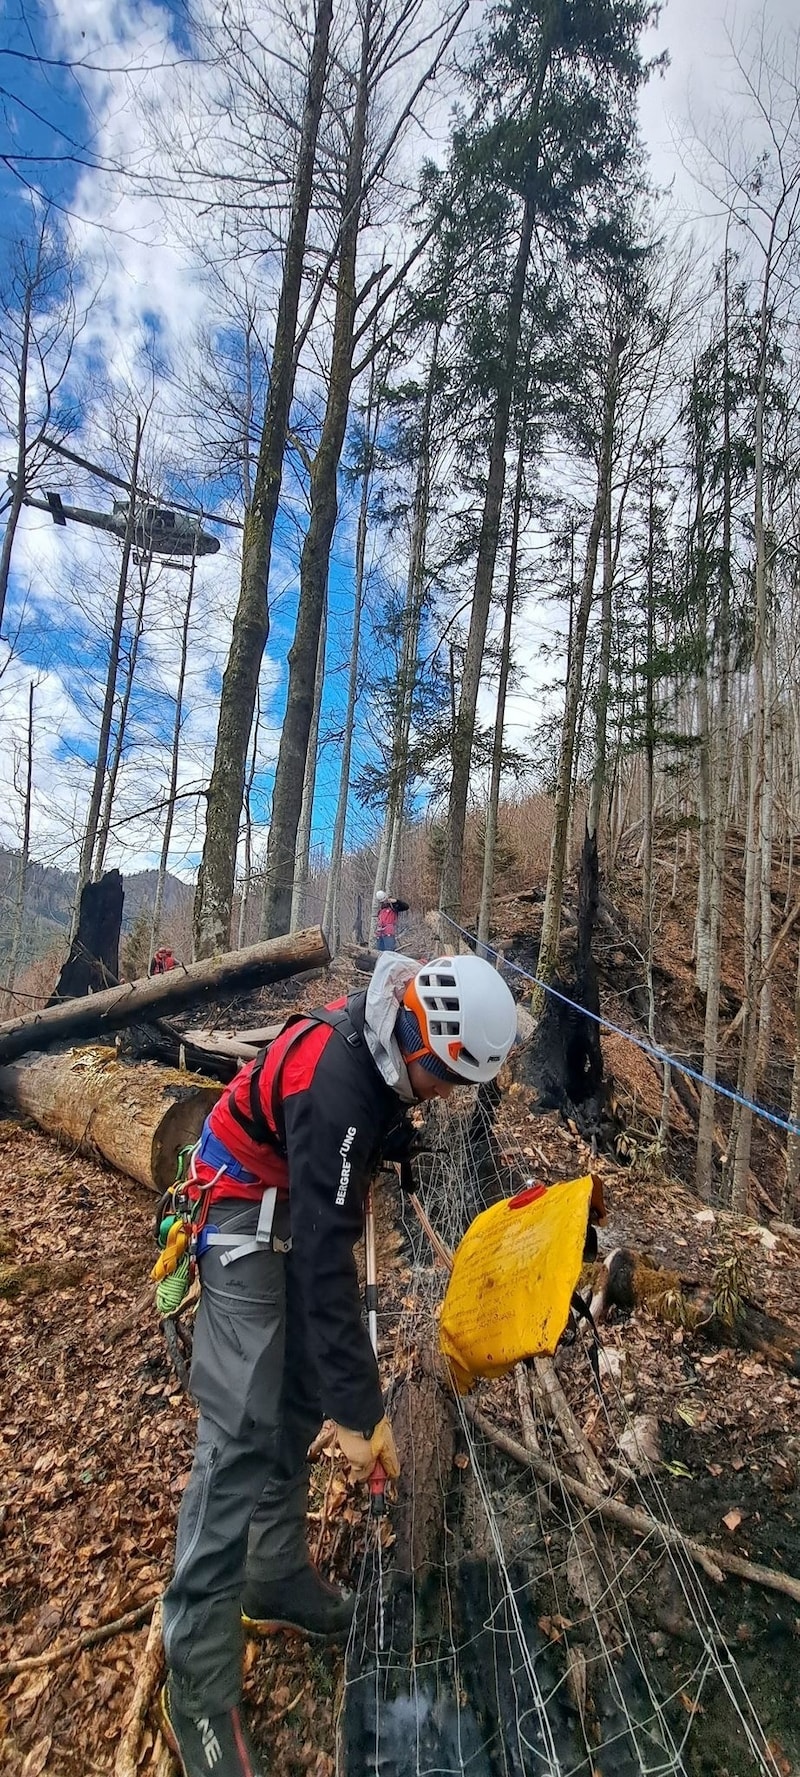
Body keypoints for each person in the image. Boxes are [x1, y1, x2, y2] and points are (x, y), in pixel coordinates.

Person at [159, 951, 517, 1777]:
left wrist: (342, 1393)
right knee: (242, 1422)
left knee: (304, 1385)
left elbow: (364, 1147)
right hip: (242, 1194)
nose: (442, 1097)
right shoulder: (336, 1085)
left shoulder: (391, 1036)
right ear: (430, 1043)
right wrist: (364, 1418)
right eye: (447, 1082)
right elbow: (326, 1260)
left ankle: (273, 1573)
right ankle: (198, 1681)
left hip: (295, 1184)